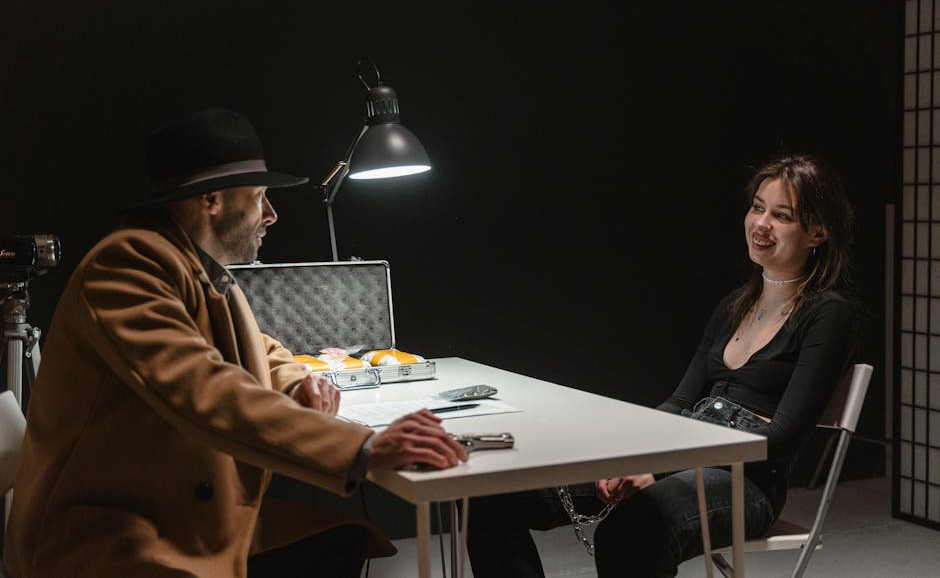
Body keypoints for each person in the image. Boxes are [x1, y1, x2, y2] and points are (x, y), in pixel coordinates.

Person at [3, 108, 467, 578]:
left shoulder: (193, 264)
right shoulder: (127, 264)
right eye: (260, 197)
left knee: (343, 541)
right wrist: (362, 449)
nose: (272, 215)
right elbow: (203, 386)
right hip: (110, 543)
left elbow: (258, 346)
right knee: (336, 547)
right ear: (212, 201)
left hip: (175, 520)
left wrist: (296, 383)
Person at [465, 153, 858, 578]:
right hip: (682, 452)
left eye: (782, 215)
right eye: (757, 207)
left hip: (747, 481)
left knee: (631, 531)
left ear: (818, 232)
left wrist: (662, 466)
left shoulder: (827, 314)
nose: (761, 224)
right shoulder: (734, 306)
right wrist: (629, 456)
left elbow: (779, 438)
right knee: (491, 493)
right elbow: (680, 403)